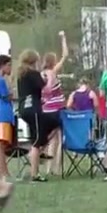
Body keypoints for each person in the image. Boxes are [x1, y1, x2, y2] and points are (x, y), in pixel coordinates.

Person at [18, 50, 59, 182]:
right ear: (34, 61)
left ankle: (39, 150)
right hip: (33, 109)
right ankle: (34, 173)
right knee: (36, 141)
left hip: (24, 108)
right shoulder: (33, 74)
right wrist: (50, 78)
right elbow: (46, 89)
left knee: (54, 124)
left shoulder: (21, 74)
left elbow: (31, 91)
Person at [41, 31, 68, 175]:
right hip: (57, 108)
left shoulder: (41, 74)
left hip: (45, 109)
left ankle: (48, 168)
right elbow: (65, 55)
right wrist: (63, 38)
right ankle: (56, 167)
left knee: (50, 139)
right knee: (58, 138)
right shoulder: (53, 72)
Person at [0, 55, 15, 178]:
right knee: (1, 143)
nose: (10, 68)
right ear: (3, 65)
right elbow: (6, 96)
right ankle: (2, 171)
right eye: (9, 65)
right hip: (2, 114)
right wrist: (12, 92)